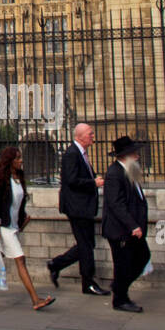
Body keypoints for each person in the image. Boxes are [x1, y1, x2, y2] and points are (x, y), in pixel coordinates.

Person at [0, 146, 55, 310]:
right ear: (10, 161)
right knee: (20, 260)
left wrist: (23, 218)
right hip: (3, 228)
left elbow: (18, 204)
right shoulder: (4, 180)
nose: (21, 160)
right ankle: (35, 299)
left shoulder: (19, 177)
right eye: (17, 158)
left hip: (13, 225)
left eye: (20, 157)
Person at [47, 123, 110, 296]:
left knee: (87, 244)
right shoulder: (71, 154)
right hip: (77, 207)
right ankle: (88, 283)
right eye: (90, 134)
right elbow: (72, 180)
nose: (93, 137)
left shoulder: (80, 153)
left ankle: (56, 264)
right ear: (80, 136)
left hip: (83, 206)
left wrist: (94, 178)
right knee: (86, 245)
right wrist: (93, 183)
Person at [102, 135, 150, 313]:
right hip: (120, 230)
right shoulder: (114, 173)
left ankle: (119, 287)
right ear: (125, 155)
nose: (137, 156)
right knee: (123, 264)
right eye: (134, 153)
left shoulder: (129, 170)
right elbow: (116, 204)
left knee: (142, 257)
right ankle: (120, 299)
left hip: (131, 228)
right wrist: (133, 225)